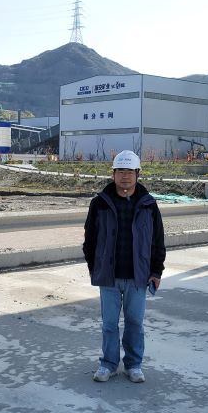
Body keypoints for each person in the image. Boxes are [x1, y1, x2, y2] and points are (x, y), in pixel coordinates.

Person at [83, 150, 166, 383]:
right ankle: (108, 364)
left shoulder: (149, 205)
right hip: (109, 277)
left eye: (130, 171)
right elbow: (90, 240)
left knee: (135, 324)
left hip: (138, 277)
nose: (125, 176)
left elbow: (158, 241)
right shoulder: (99, 203)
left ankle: (134, 365)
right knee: (109, 324)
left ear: (138, 174)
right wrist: (94, 268)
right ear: (113, 174)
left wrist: (156, 271)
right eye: (121, 171)